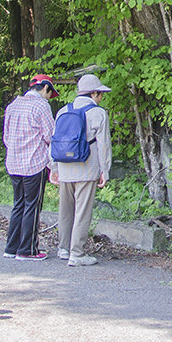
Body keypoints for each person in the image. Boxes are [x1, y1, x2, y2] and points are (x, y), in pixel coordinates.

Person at [51, 72, 112, 266]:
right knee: (82, 211)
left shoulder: (62, 111)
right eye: (100, 93)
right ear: (93, 93)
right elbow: (104, 146)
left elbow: (54, 141)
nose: (101, 97)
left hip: (64, 167)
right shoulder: (98, 113)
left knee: (66, 210)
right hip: (87, 167)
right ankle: (77, 253)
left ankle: (63, 248)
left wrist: (54, 167)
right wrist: (105, 170)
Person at [3, 74, 57, 260]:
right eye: (50, 93)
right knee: (32, 207)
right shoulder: (41, 106)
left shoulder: (13, 105)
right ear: (45, 88)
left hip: (14, 163)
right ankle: (27, 250)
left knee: (18, 204)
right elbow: (51, 135)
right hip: (34, 163)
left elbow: (6, 137)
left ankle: (11, 247)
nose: (49, 97)